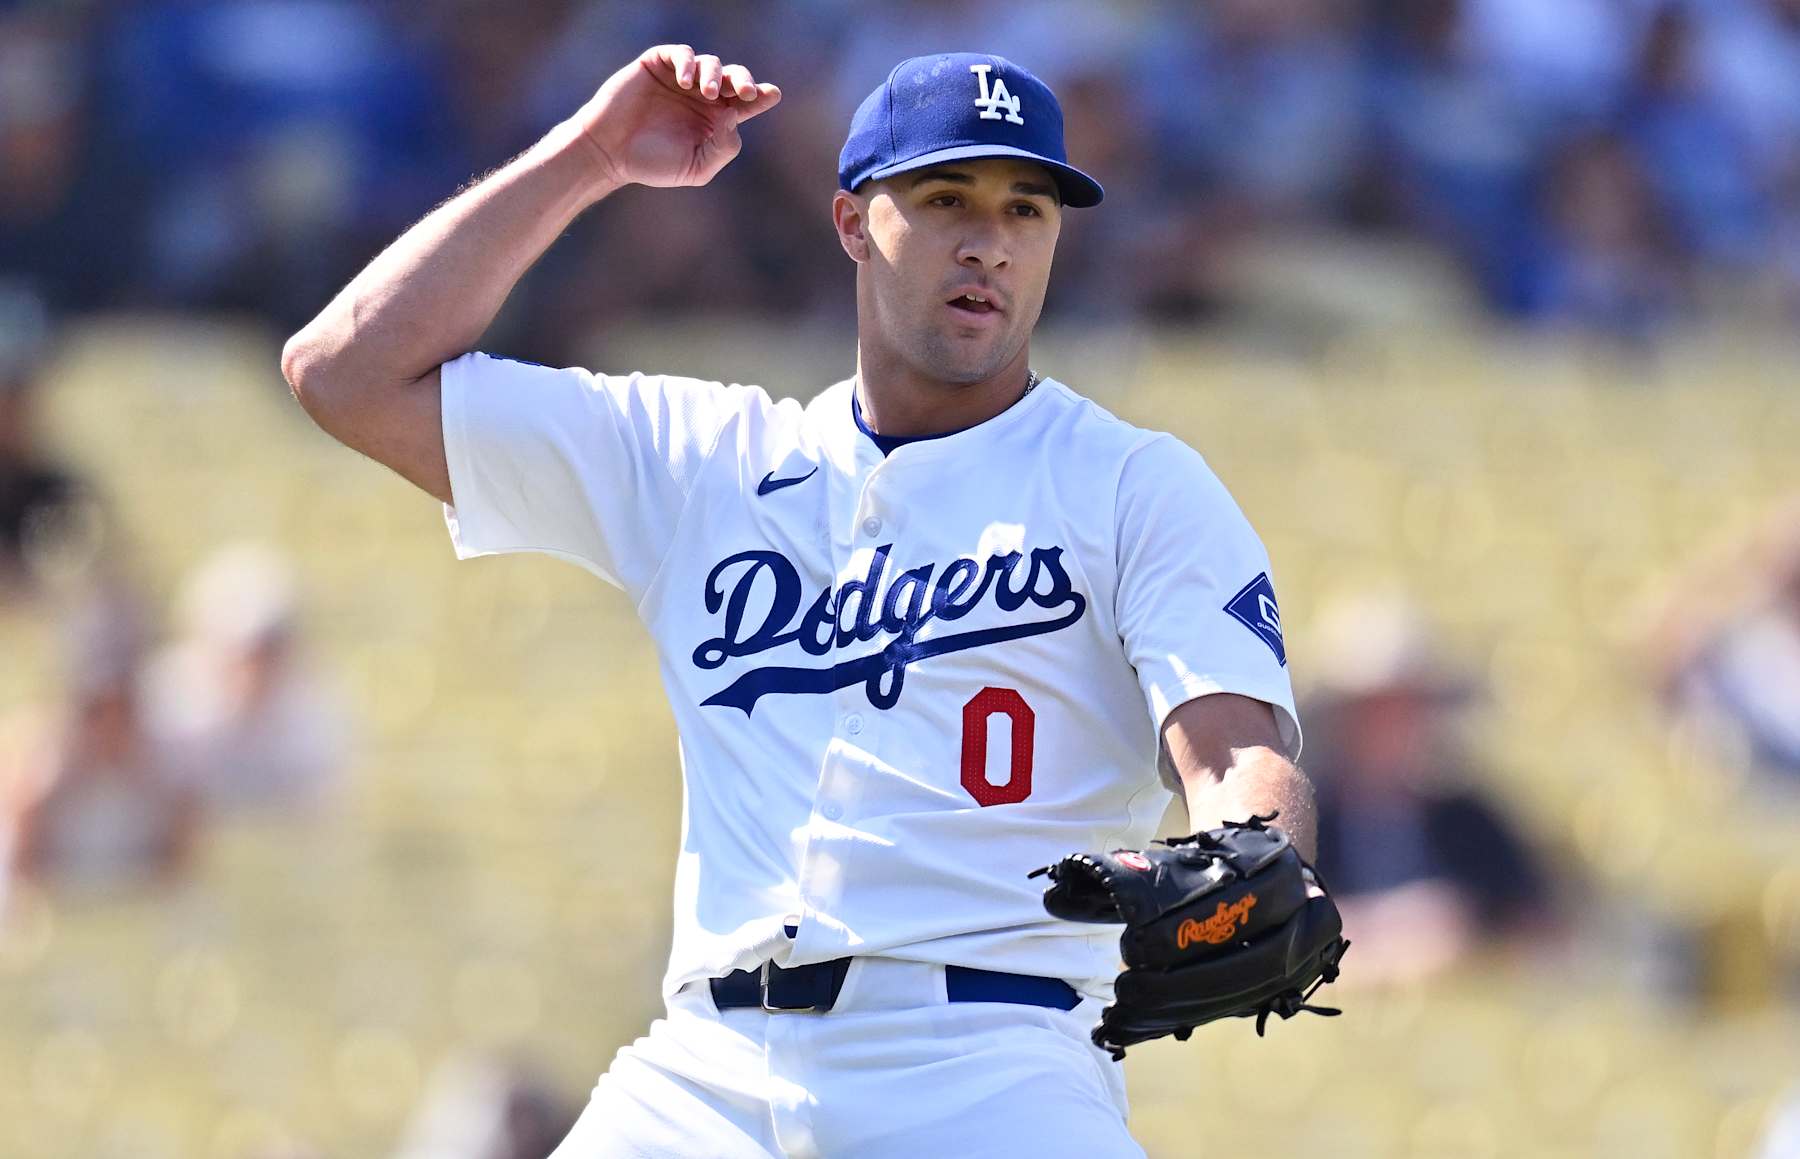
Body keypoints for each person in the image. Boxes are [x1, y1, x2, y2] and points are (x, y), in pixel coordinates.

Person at [283, 46, 1319, 1156]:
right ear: (848, 222)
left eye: (1027, 208)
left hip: (991, 1070)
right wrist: (588, 158)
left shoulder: (1130, 483)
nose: (989, 242)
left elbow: (1235, 763)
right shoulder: (706, 460)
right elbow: (346, 373)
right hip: (704, 1077)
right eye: (943, 198)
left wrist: (1259, 854)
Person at [1303, 591, 1557, 984]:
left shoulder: (1470, 820)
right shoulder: (1300, 822)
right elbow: (1268, 935)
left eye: (1406, 708)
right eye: (1375, 710)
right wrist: (1389, 929)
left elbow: (1537, 926)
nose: (1391, 727)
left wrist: (1465, 930)